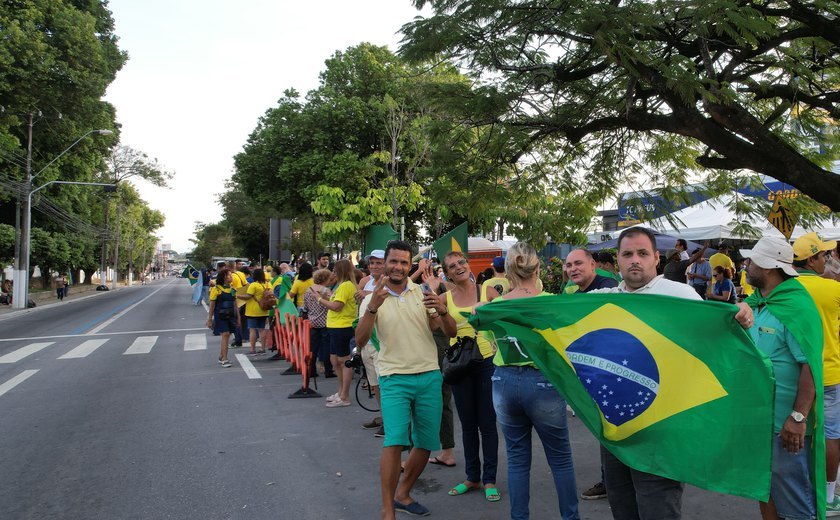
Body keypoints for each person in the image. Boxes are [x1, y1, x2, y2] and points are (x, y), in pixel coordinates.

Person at [587, 227, 754, 520]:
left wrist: (739, 310)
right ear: (618, 260)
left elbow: (714, 331)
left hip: (662, 431)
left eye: (642, 253)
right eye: (627, 254)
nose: (634, 260)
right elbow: (545, 307)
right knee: (623, 509)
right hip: (616, 430)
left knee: (658, 509)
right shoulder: (606, 298)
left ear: (656, 258)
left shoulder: (679, 295)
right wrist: (495, 307)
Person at [355, 240, 457, 519]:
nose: (398, 267)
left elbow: (448, 332)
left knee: (425, 442)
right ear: (385, 263)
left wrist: (443, 309)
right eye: (394, 261)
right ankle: (388, 510)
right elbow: (361, 339)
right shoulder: (371, 297)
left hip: (428, 376)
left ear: (409, 264)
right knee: (395, 442)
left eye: (403, 262)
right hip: (394, 378)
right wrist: (373, 308)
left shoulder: (422, 292)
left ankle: (404, 493)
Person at [488, 242, 579, 519]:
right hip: (543, 383)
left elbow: (493, 344)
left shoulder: (495, 306)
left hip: (503, 383)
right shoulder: (551, 302)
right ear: (538, 268)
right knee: (560, 459)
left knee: (516, 461)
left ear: (509, 270)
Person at [741, 236, 822, 520]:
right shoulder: (759, 303)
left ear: (768, 267)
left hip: (785, 427)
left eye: (751, 261)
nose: (746, 265)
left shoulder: (795, 306)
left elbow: (811, 366)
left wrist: (798, 418)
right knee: (764, 490)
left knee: (797, 504)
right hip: (759, 422)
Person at [431, 251, 501, 503]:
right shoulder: (443, 298)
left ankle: (490, 478)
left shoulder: (488, 292)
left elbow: (502, 324)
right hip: (459, 364)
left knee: (487, 423)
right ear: (447, 273)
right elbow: (447, 331)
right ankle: (472, 477)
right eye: (452, 266)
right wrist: (439, 311)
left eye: (461, 262)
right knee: (468, 424)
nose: (458, 267)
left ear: (468, 265)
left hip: (486, 363)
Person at [792, 232, 840, 516]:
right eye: (823, 255)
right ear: (811, 259)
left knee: (796, 430)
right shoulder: (833, 290)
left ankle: (802, 492)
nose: (827, 259)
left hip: (794, 374)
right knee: (830, 434)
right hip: (830, 374)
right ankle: (830, 495)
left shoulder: (785, 288)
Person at [564, 248, 617, 501]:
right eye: (568, 265)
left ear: (593, 264)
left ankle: (614, 482)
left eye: (578, 263)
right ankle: (613, 480)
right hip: (598, 372)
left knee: (614, 427)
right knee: (606, 428)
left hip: (618, 371)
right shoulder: (577, 293)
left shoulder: (607, 284)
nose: (572, 268)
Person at [314, 258, 358, 407]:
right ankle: (340, 392)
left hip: (343, 327)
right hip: (335, 326)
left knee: (344, 361)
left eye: (334, 271)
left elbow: (337, 306)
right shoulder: (340, 286)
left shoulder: (346, 286)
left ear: (340, 271)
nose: (332, 274)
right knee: (335, 360)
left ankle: (345, 396)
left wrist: (319, 299)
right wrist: (324, 297)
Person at [355, 250, 386, 434]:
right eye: (372, 263)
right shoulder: (367, 281)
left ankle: (390, 421)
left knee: (383, 382)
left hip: (380, 340)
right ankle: (383, 416)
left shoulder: (387, 282)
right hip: (366, 339)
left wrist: (365, 293)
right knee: (374, 382)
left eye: (378, 263)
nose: (374, 266)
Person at [206, 269, 238, 368]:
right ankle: (225, 359)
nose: (231, 277)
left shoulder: (233, 289)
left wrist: (238, 318)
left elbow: (235, 305)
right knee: (225, 334)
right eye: (229, 275)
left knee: (227, 336)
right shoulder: (216, 289)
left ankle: (221, 355)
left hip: (231, 316)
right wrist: (209, 319)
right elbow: (212, 305)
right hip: (220, 316)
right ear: (223, 277)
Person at [237, 268, 271, 356]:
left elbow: (248, 296)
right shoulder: (268, 284)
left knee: (252, 330)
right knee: (262, 330)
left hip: (253, 311)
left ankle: (252, 349)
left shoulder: (254, 285)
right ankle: (263, 349)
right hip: (264, 310)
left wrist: (238, 295)